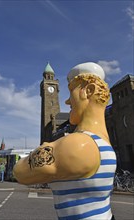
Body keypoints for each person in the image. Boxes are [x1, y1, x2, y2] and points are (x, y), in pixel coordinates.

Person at [13, 62, 117, 220]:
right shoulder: (105, 143)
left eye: (71, 91)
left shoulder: (77, 144)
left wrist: (47, 147)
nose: (67, 101)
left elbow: (19, 172)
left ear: (88, 91)